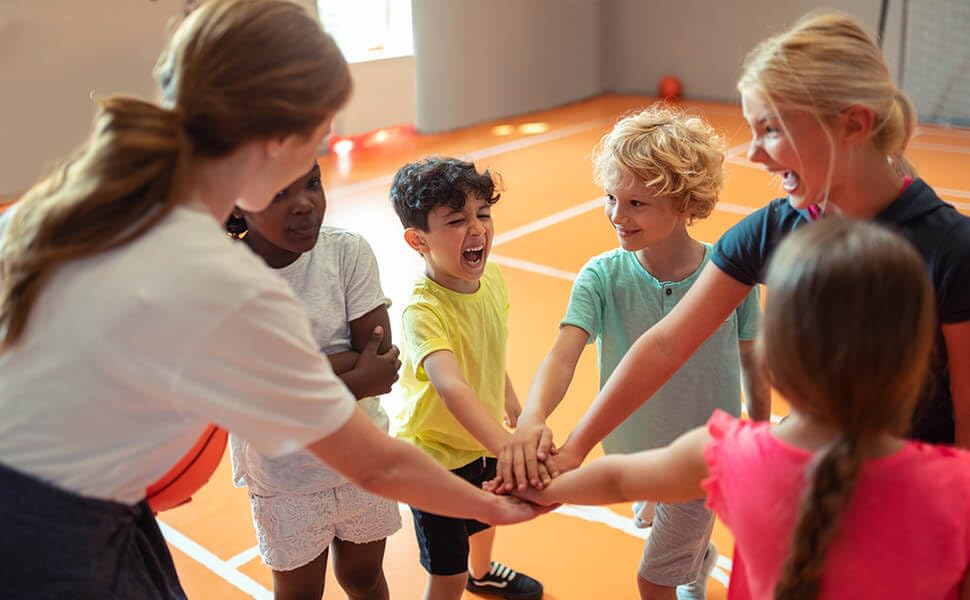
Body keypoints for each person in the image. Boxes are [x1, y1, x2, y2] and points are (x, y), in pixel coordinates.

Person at [0, 2, 541, 598]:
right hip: (52, 531)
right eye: (322, 131)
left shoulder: (69, 205)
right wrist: (497, 506)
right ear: (282, 138)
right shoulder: (224, 284)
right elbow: (376, 463)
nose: (325, 146)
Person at [504, 12, 970, 479]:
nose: (753, 153)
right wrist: (573, 451)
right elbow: (666, 345)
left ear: (852, 125)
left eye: (772, 129)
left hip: (918, 492)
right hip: (822, 490)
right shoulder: (774, 230)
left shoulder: (951, 249)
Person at [500, 218, 970, 599]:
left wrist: (526, 489)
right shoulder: (958, 486)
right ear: (918, 365)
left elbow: (618, 478)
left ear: (778, 359)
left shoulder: (729, 453)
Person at [496, 105, 768, 600]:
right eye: (611, 198)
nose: (618, 216)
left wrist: (761, 433)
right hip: (632, 452)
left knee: (653, 579)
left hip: (705, 453)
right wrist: (534, 414)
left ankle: (688, 569)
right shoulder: (601, 275)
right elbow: (563, 355)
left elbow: (754, 358)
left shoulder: (728, 278)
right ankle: (698, 557)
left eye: (637, 204)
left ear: (684, 202)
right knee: (666, 534)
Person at [226, 162, 402, 600]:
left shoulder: (346, 252)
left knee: (364, 577)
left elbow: (379, 358)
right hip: (286, 477)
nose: (304, 204)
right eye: (278, 193)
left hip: (362, 457)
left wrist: (293, 381)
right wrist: (353, 375)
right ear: (237, 205)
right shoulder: (226, 281)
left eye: (312, 184)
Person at [390, 157, 544, 600]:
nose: (477, 229)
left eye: (483, 214)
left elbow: (489, 351)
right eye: (457, 220)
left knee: (485, 518)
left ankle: (483, 574)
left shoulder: (491, 278)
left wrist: (510, 400)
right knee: (447, 572)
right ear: (418, 239)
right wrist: (508, 447)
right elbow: (451, 386)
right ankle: (465, 578)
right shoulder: (423, 309)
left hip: (480, 440)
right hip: (435, 458)